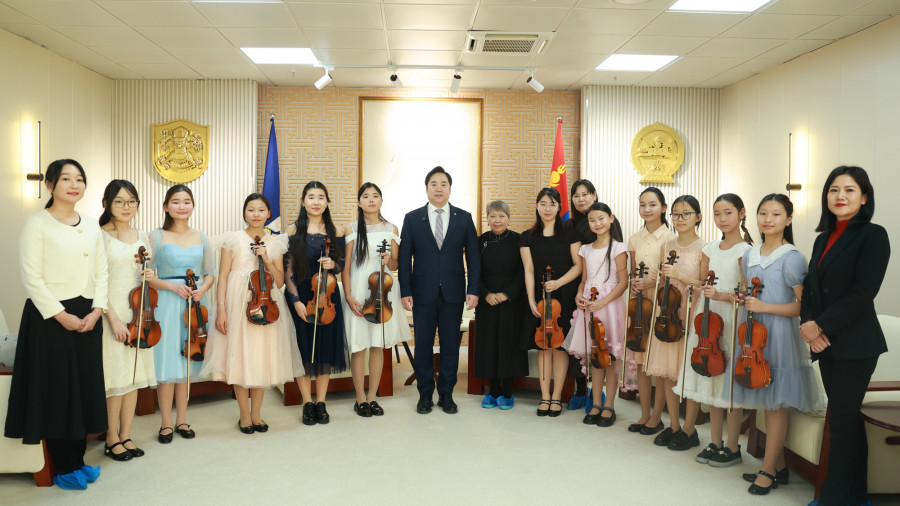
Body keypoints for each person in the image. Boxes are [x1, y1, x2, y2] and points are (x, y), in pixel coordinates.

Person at [5, 159, 108, 490]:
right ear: (50, 185)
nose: (74, 185)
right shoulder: (37, 224)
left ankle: (78, 460)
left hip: (88, 315)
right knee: (60, 390)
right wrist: (62, 316)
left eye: (79, 179)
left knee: (83, 388)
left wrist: (98, 310)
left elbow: (102, 272)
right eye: (66, 179)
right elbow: (31, 277)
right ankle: (64, 467)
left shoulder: (91, 225)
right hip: (50, 317)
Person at [800, 167, 890, 506]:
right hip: (826, 343)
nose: (840, 196)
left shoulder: (873, 235)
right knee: (847, 420)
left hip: (856, 344)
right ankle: (856, 498)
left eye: (850, 190)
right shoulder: (823, 238)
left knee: (840, 420)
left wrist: (820, 326)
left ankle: (832, 499)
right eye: (834, 189)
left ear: (864, 197)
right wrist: (808, 325)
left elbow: (863, 292)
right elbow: (810, 286)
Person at [733, 193, 823, 495]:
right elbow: (750, 291)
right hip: (754, 336)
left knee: (774, 406)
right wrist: (744, 299)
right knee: (764, 402)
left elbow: (803, 307)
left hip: (781, 336)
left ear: (789, 219)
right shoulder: (749, 254)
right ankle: (780, 467)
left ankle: (768, 469)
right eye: (763, 213)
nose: (768, 219)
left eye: (776, 214)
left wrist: (764, 307)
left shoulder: (793, 257)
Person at [202, 193, 304, 433]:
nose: (256, 214)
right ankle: (244, 414)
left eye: (261, 210)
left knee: (261, 357)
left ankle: (257, 413)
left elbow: (279, 281)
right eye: (251, 209)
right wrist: (221, 309)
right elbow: (223, 276)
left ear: (269, 213)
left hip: (266, 304)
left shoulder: (276, 242)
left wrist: (266, 259)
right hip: (237, 304)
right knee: (239, 357)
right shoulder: (232, 240)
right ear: (244, 213)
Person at [674, 194, 752, 466]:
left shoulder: (746, 251)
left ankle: (732, 447)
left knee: (728, 386)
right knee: (711, 379)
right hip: (707, 319)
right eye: (717, 214)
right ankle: (715, 442)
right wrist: (695, 291)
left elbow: (746, 294)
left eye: (728, 213)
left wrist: (720, 295)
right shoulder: (709, 248)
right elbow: (702, 283)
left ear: (741, 213)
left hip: (731, 319)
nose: (722, 219)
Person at [399, 166, 480, 415]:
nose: (438, 188)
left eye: (443, 184)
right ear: (426, 188)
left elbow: (474, 257)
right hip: (422, 292)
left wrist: (473, 289)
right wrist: (405, 290)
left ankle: (446, 394)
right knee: (423, 345)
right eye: (433, 184)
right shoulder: (412, 218)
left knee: (450, 346)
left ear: (450, 188)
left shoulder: (463, 218)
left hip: (453, 292)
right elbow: (404, 258)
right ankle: (425, 394)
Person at [148, 185, 216, 444]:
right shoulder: (156, 236)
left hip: (194, 303)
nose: (182, 206)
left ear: (193, 206)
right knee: (168, 362)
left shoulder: (202, 236)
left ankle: (182, 420)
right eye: (175, 202)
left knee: (187, 361)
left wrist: (203, 289)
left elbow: (210, 273)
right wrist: (171, 286)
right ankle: (166, 423)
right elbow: (146, 276)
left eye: (187, 201)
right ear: (166, 207)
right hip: (167, 301)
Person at [98, 180, 156, 461]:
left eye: (132, 201)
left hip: (138, 314)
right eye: (119, 201)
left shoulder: (142, 235)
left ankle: (127, 434)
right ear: (107, 203)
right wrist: (114, 319)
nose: (126, 206)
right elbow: (96, 282)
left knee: (134, 376)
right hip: (112, 314)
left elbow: (147, 275)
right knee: (116, 378)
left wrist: (150, 275)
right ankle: (111, 438)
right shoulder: (100, 236)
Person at [342, 183, 411, 417]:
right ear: (359, 202)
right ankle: (359, 398)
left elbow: (396, 265)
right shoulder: (351, 228)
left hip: (383, 293)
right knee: (359, 346)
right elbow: (347, 267)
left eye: (375, 196)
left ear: (381, 200)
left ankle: (372, 397)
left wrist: (389, 260)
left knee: (377, 345)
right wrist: (348, 296)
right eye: (366, 196)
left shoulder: (391, 228)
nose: (371, 200)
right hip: (359, 293)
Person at [645, 195, 705, 450]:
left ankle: (690, 429)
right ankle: (673, 425)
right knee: (667, 373)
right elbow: (663, 282)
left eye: (686, 214)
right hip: (668, 315)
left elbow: (704, 284)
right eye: (676, 214)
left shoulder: (705, 247)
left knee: (688, 374)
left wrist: (679, 275)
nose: (680, 219)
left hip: (690, 314)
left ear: (698, 217)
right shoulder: (667, 244)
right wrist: (660, 276)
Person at [286, 181, 348, 425]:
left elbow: (342, 264)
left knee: (324, 349)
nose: (316, 201)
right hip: (302, 294)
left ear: (327, 202)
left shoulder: (336, 230)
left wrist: (334, 265)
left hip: (327, 295)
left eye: (321, 197)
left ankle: (321, 401)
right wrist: (295, 301)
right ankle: (306, 402)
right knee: (303, 349)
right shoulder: (293, 230)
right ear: (303, 202)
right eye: (311, 197)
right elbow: (288, 270)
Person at [520, 187, 583, 417]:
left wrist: (558, 283)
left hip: (564, 295)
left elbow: (578, 265)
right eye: (543, 204)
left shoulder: (570, 233)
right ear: (537, 206)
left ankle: (556, 397)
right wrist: (530, 299)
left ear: (559, 207)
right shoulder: (527, 236)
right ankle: (544, 396)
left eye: (552, 204)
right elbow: (528, 269)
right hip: (539, 298)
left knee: (560, 347)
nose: (548, 208)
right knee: (543, 347)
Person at [564, 202, 627, 426]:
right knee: (595, 357)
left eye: (601, 218)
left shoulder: (619, 247)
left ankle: (609, 405)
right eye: (592, 220)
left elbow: (623, 282)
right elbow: (584, 280)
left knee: (610, 357)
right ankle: (596, 403)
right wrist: (578, 296)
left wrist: (602, 302)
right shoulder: (585, 249)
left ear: (611, 218)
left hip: (609, 306)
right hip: (589, 307)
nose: (597, 223)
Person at [625, 187, 675, 435]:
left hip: (661, 306)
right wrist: (635, 287)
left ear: (663, 208)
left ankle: (657, 417)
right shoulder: (634, 238)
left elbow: (671, 277)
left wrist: (651, 283)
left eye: (652, 205)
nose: (647, 209)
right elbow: (634, 270)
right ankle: (645, 414)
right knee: (641, 363)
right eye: (642, 204)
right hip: (640, 307)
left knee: (659, 367)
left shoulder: (671, 239)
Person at [474, 200, 527, 410]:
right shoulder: (480, 241)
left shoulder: (519, 240)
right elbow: (474, 272)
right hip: (486, 302)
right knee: (489, 345)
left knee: (509, 345)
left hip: (511, 302)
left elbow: (524, 272)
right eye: (493, 216)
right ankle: (493, 390)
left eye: (501, 216)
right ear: (487, 218)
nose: (497, 220)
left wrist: (507, 294)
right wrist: (486, 294)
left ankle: (508, 391)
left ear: (508, 218)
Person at [563, 179, 598, 410]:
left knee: (598, 340)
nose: (581, 199)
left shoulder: (604, 218)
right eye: (576, 195)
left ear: (594, 195)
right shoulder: (570, 225)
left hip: (600, 286)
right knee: (578, 339)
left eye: (585, 194)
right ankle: (580, 389)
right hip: (575, 286)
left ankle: (597, 391)